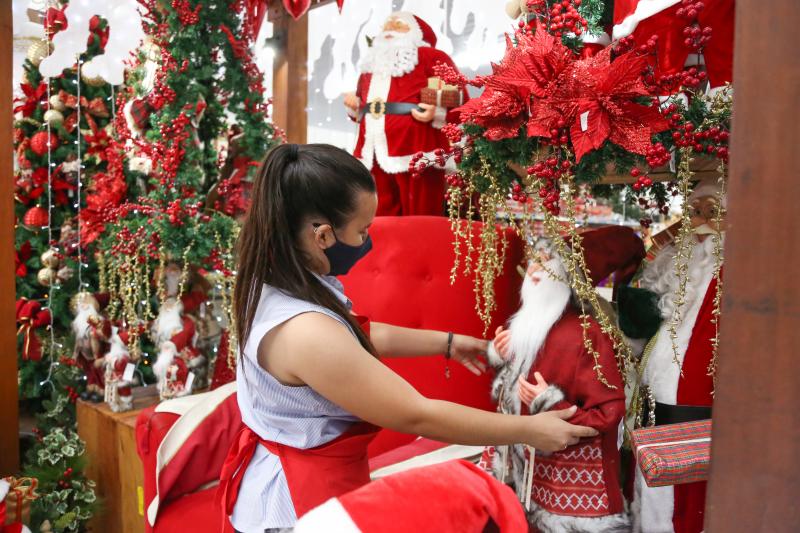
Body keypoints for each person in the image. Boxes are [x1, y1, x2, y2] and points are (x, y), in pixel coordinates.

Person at [218, 143, 598, 532]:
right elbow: (416, 413)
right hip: (296, 501)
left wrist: (447, 343)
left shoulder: (276, 281)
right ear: (323, 235)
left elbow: (356, 333)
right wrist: (530, 431)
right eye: (362, 231)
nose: (368, 241)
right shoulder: (304, 331)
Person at [481, 228, 645, 532]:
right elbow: (513, 391)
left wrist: (551, 402)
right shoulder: (528, 326)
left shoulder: (587, 335)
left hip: (572, 497)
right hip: (525, 477)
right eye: (535, 259)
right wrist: (506, 357)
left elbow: (608, 413)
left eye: (547, 261)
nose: (535, 268)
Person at [343, 12, 468, 216]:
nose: (390, 28)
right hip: (373, 149)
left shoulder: (431, 57)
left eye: (398, 25)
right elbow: (362, 105)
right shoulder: (370, 66)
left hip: (418, 148)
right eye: (387, 25)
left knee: (421, 216)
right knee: (380, 216)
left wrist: (437, 111)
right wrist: (354, 106)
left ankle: (423, 248)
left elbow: (460, 95)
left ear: (417, 33)